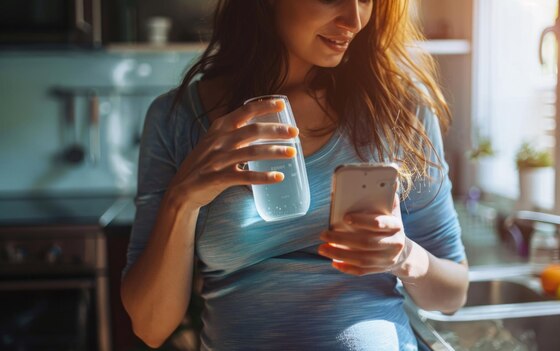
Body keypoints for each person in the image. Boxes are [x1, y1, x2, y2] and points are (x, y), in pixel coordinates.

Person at [121, 0, 469, 350]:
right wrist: (182, 201)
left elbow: (453, 294)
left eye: (366, 0)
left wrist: (404, 257)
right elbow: (151, 326)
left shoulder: (400, 110)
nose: (354, 19)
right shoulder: (177, 120)